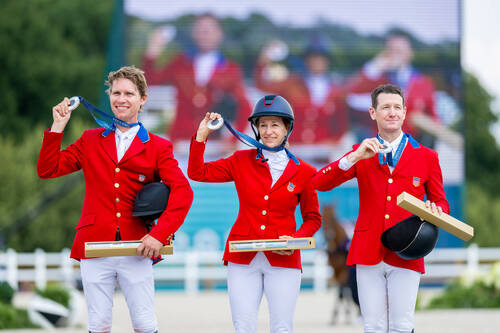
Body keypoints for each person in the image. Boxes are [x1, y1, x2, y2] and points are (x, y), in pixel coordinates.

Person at [37, 66, 194, 333]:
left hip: (139, 245)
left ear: (142, 99)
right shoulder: (90, 139)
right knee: (98, 324)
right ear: (109, 95)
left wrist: (159, 234)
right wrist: (57, 127)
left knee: (144, 323)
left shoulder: (159, 146)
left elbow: (184, 191)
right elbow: (48, 169)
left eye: (129, 94)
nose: (121, 99)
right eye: (116, 92)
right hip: (94, 241)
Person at [312, 84, 449, 332]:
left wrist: (435, 208)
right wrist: (353, 157)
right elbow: (319, 183)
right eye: (385, 107)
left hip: (407, 251)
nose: (392, 112)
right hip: (367, 251)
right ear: (373, 113)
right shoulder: (361, 151)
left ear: (405, 112)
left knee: (402, 324)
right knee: (372, 325)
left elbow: (441, 203)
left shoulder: (427, 156)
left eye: (397, 107)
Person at [188, 95, 322, 332]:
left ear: (287, 128)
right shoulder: (240, 160)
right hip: (242, 256)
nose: (268, 131)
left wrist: (296, 239)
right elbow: (198, 172)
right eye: (263, 125)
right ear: (256, 129)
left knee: (282, 327)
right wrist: (202, 137)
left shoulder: (305, 171)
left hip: (284, 257)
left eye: (275, 125)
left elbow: (313, 218)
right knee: (244, 326)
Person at [143, 13, 251, 142]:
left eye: (209, 30)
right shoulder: (180, 62)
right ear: (194, 34)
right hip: (181, 140)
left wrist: (234, 138)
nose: (204, 34)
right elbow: (150, 81)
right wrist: (152, 52)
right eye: (200, 30)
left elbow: (245, 107)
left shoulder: (230, 69)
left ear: (219, 34)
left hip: (213, 142)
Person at [346, 32, 439, 145]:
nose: (395, 54)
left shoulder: (424, 83)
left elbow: (434, 120)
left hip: (411, 151)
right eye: (391, 50)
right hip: (381, 151)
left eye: (399, 50)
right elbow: (350, 96)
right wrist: (374, 66)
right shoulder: (377, 80)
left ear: (410, 53)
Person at [255, 40, 349, 145]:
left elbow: (341, 122)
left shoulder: (336, 90)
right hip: (294, 149)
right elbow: (263, 85)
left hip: (322, 152)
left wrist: (334, 141)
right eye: (313, 58)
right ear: (306, 61)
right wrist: (263, 62)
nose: (317, 62)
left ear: (327, 61)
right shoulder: (292, 83)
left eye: (321, 58)